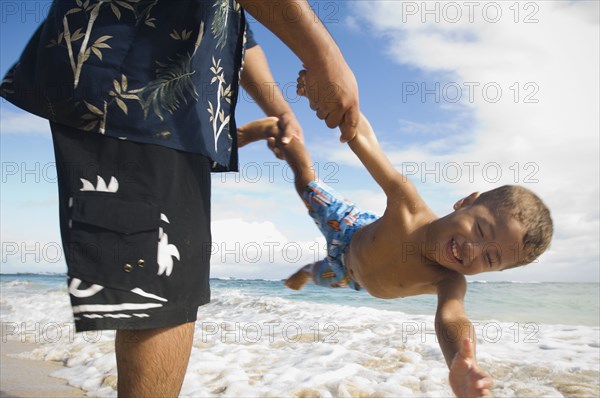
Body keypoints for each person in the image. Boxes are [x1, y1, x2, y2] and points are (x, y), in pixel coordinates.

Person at [0, 1, 359, 396]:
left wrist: (281, 109)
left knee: (172, 290)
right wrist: (323, 56)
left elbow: (235, 24)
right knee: (160, 296)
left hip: (173, 99)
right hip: (136, 78)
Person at [237, 103, 553, 397]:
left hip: (350, 277)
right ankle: (277, 130)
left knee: (318, 274)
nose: (473, 249)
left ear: (493, 272)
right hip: (346, 228)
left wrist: (461, 359)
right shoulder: (408, 205)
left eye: (490, 258)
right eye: (481, 230)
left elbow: (452, 317)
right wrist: (346, 109)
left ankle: (304, 272)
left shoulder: (449, 281)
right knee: (305, 182)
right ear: (466, 202)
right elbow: (369, 144)